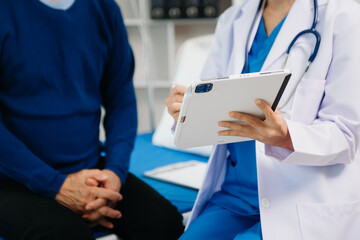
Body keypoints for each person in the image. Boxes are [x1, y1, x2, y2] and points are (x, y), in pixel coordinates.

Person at [165, 0, 360, 239]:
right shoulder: (234, 18)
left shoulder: (344, 15)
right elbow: (211, 106)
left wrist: (287, 136)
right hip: (234, 197)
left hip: (299, 198)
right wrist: (186, 111)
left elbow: (346, 134)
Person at [0, 0, 184, 239]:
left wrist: (114, 173)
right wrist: (55, 186)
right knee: (64, 234)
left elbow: (121, 100)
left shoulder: (104, 8)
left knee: (163, 223)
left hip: (91, 170)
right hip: (12, 177)